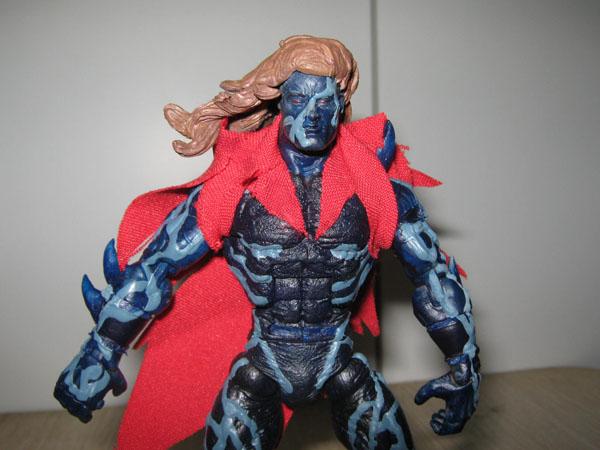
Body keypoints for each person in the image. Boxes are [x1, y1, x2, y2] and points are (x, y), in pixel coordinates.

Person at [54, 35, 480, 450]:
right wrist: (99, 352)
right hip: (260, 366)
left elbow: (432, 275)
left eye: (325, 102)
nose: (312, 115)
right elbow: (155, 269)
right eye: (298, 99)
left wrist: (464, 364)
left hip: (340, 362)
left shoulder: (377, 192)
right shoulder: (233, 191)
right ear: (279, 102)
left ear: (341, 105)